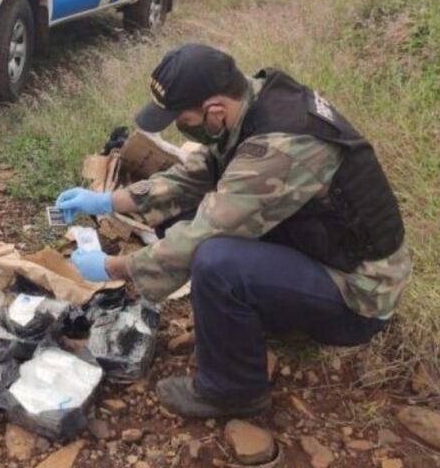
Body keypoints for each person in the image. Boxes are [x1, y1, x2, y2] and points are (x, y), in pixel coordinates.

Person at [56, 43, 411, 418]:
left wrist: (113, 267)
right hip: (319, 250)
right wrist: (110, 201)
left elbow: (204, 234)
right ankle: (248, 319)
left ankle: (233, 392)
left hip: (357, 295)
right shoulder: (250, 104)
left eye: (182, 118)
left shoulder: (282, 145)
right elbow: (196, 175)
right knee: (182, 219)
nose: (181, 127)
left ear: (214, 110)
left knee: (215, 261)